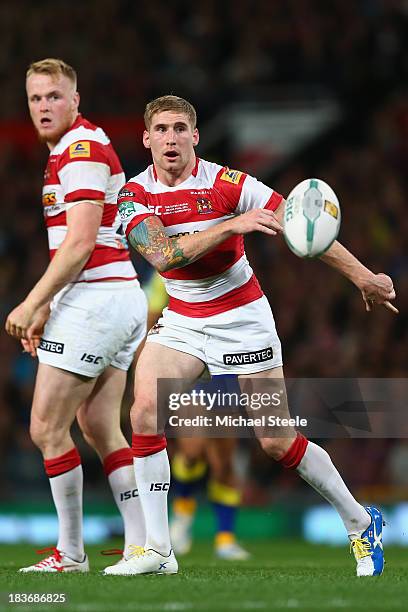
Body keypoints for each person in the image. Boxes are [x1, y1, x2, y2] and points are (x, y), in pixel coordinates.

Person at [102, 95, 397, 577]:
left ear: (195, 136)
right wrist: (230, 227)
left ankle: (360, 521)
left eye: (180, 128)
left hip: (242, 320)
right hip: (183, 317)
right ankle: (157, 549)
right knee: (144, 408)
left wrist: (363, 276)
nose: (171, 138)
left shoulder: (228, 183)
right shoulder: (134, 194)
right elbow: (161, 256)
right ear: (147, 138)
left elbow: (302, 223)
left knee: (277, 442)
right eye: (161, 129)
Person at [5, 59, 147, 572]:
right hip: (113, 296)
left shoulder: (80, 151)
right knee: (101, 426)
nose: (44, 106)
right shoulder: (70, 149)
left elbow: (82, 242)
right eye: (36, 99)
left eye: (54, 96)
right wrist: (48, 306)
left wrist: (32, 303)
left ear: (75, 99)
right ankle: (145, 546)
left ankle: (71, 553)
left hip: (97, 299)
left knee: (46, 427)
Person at [145, 272, 249, 559]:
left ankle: (225, 539)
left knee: (224, 460)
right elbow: (151, 318)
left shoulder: (230, 261)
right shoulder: (165, 270)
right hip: (187, 360)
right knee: (192, 450)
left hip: (226, 365)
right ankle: (181, 520)